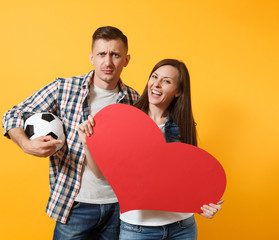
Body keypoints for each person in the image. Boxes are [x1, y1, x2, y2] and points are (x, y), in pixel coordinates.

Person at [2, 26, 139, 240]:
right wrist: (26, 144)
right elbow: (13, 114)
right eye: (102, 54)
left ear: (126, 59)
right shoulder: (64, 89)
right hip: (76, 205)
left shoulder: (133, 99)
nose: (108, 62)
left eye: (115, 54)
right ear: (91, 57)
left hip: (117, 207)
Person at [77, 59, 224, 240]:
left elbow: (187, 178)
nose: (157, 84)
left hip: (182, 228)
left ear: (178, 91)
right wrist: (86, 143)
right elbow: (100, 174)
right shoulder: (124, 122)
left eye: (167, 81)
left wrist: (202, 205)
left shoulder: (183, 127)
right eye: (154, 77)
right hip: (138, 229)